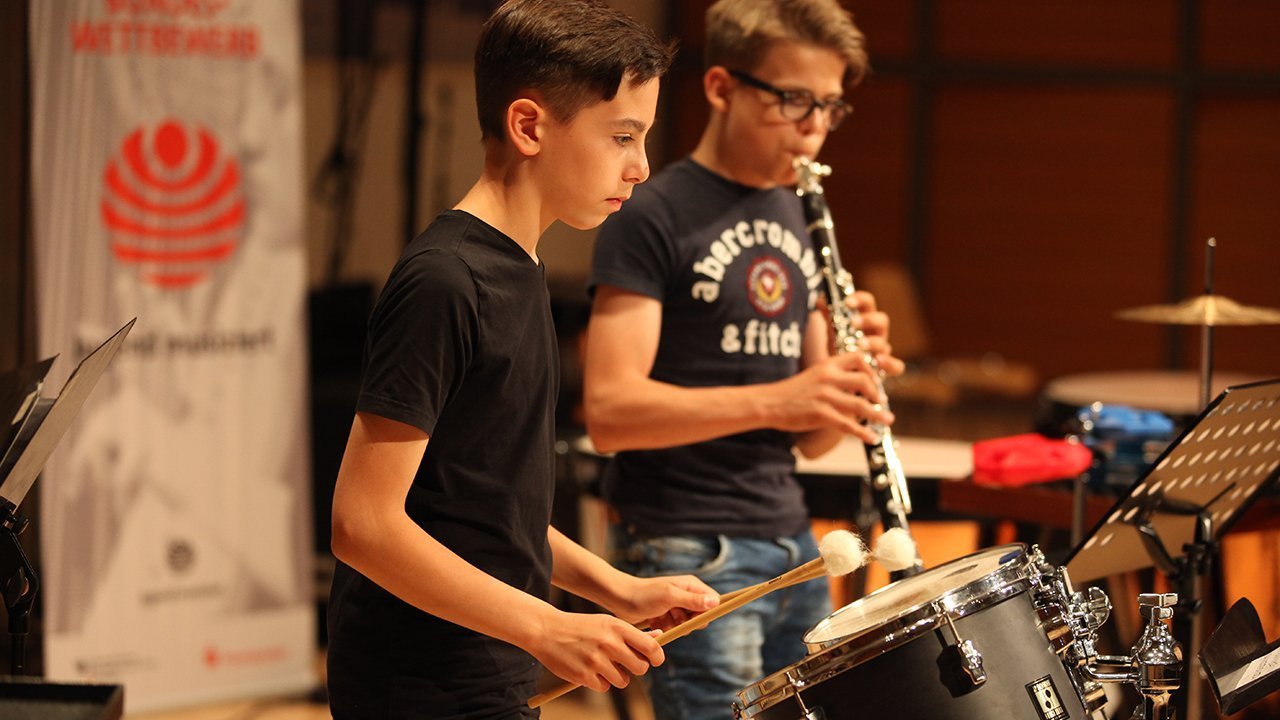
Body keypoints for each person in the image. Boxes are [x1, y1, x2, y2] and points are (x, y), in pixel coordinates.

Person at [325, 2, 719, 717]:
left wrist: (616, 589)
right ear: (529, 126)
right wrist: (546, 626)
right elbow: (363, 525)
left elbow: (485, 505)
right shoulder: (445, 281)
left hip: (487, 668)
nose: (641, 166)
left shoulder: (520, 268)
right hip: (418, 683)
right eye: (622, 136)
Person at [582, 1, 904, 718]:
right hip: (689, 543)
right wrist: (783, 398)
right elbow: (609, 412)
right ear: (722, 87)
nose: (813, 126)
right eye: (793, 100)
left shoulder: (800, 214)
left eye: (829, 106)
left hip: (793, 538)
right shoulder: (652, 213)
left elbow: (812, 439)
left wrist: (848, 377)